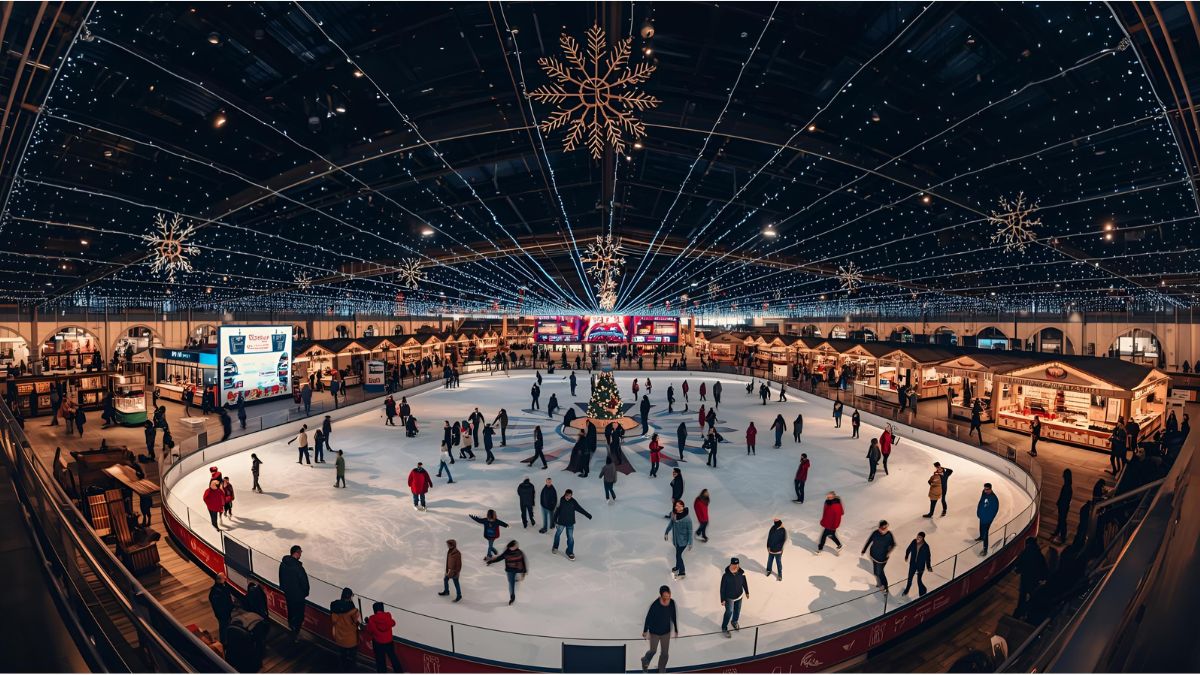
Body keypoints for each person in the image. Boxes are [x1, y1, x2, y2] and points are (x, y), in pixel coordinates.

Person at [641, 585, 678, 672]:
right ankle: (645, 659)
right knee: (653, 650)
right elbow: (648, 618)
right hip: (655, 632)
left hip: (666, 632)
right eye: (665, 596)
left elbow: (673, 616)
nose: (667, 597)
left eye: (668, 595)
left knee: (665, 653)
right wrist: (645, 631)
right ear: (661, 596)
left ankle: (661, 669)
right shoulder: (655, 605)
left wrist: (676, 629)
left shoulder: (672, 603)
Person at [278, 545, 310, 644]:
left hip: (288, 594)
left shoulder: (283, 564)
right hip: (298, 596)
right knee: (299, 615)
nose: (301, 554)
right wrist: (304, 593)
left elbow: (281, 578)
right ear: (296, 553)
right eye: (300, 552)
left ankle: (292, 629)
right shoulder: (298, 568)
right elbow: (304, 583)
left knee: (291, 612)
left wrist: (285, 589)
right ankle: (295, 633)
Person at [552, 489, 592, 560]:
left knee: (570, 538)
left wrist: (587, 515)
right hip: (561, 522)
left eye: (570, 496)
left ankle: (570, 552)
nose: (568, 497)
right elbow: (557, 511)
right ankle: (555, 547)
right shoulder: (561, 501)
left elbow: (580, 509)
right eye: (567, 495)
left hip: (570, 523)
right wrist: (554, 521)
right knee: (557, 534)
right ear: (565, 494)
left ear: (571, 496)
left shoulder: (573, 502)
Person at [485, 540, 527, 605]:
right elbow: (499, 558)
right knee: (511, 583)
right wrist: (491, 561)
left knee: (513, 581)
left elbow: (523, 561)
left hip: (517, 569)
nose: (517, 546)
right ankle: (512, 596)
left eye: (517, 545)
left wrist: (524, 572)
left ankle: (515, 582)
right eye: (516, 545)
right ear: (511, 547)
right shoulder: (507, 552)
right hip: (510, 570)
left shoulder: (519, 552)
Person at [330, 587, 362, 671]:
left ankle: (343, 669)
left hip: (340, 637)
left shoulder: (334, 606)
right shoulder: (354, 611)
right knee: (352, 658)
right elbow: (359, 622)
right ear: (350, 597)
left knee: (342, 656)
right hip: (351, 639)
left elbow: (334, 619)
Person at [366, 601, 403, 672]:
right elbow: (393, 623)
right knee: (393, 658)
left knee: (380, 661)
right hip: (389, 642)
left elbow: (369, 631)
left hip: (378, 643)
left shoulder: (372, 619)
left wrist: (368, 623)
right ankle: (399, 672)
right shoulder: (388, 616)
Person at [861, 520, 896, 594]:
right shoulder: (875, 533)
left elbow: (893, 544)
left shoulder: (889, 535)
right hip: (873, 556)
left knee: (880, 572)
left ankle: (885, 587)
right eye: (883, 528)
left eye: (886, 528)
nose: (885, 529)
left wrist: (889, 552)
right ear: (879, 528)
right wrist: (864, 549)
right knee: (876, 572)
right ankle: (880, 583)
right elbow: (869, 541)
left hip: (882, 559)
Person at [663, 499, 694, 578]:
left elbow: (690, 531)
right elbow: (671, 524)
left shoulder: (687, 519)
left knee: (678, 555)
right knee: (677, 554)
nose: (678, 507)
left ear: (683, 506)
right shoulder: (674, 515)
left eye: (680, 505)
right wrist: (666, 532)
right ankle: (677, 567)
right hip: (676, 540)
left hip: (683, 541)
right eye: (677, 505)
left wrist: (690, 543)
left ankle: (682, 572)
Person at [719, 557, 749, 638]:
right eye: (734, 565)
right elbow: (722, 588)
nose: (735, 566)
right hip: (729, 597)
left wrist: (747, 592)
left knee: (737, 610)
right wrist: (722, 599)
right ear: (730, 564)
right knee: (729, 611)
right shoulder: (726, 576)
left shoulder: (741, 573)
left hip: (739, 596)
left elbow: (744, 582)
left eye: (737, 565)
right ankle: (724, 627)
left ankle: (734, 621)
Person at [903, 532, 932, 596]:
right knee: (910, 578)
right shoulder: (914, 542)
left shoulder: (926, 546)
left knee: (919, 580)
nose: (918, 538)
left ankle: (922, 592)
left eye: (920, 537)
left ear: (923, 538)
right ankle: (907, 589)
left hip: (920, 566)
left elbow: (928, 557)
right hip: (913, 564)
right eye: (917, 536)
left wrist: (928, 566)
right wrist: (906, 556)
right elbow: (908, 549)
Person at [209, 573, 235, 642]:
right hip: (223, 614)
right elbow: (220, 605)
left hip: (226, 613)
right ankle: (225, 641)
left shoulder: (220, 587)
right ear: (219, 580)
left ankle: (227, 639)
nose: (225, 578)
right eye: (224, 578)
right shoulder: (216, 592)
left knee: (225, 626)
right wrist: (230, 607)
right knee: (224, 627)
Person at [976, 483, 1000, 555]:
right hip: (982, 515)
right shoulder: (983, 492)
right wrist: (978, 512)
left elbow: (994, 511)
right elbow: (981, 502)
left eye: (987, 489)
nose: (985, 491)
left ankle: (985, 549)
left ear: (991, 489)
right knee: (980, 527)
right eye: (984, 489)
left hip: (987, 519)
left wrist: (989, 519)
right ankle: (981, 537)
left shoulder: (994, 499)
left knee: (986, 533)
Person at [1053, 468, 1073, 544]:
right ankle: (1058, 532)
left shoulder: (1066, 487)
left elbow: (1064, 497)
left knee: (1062, 520)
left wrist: (1059, 503)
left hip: (1063, 506)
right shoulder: (1068, 487)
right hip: (1064, 506)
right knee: (1061, 520)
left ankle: (1062, 536)